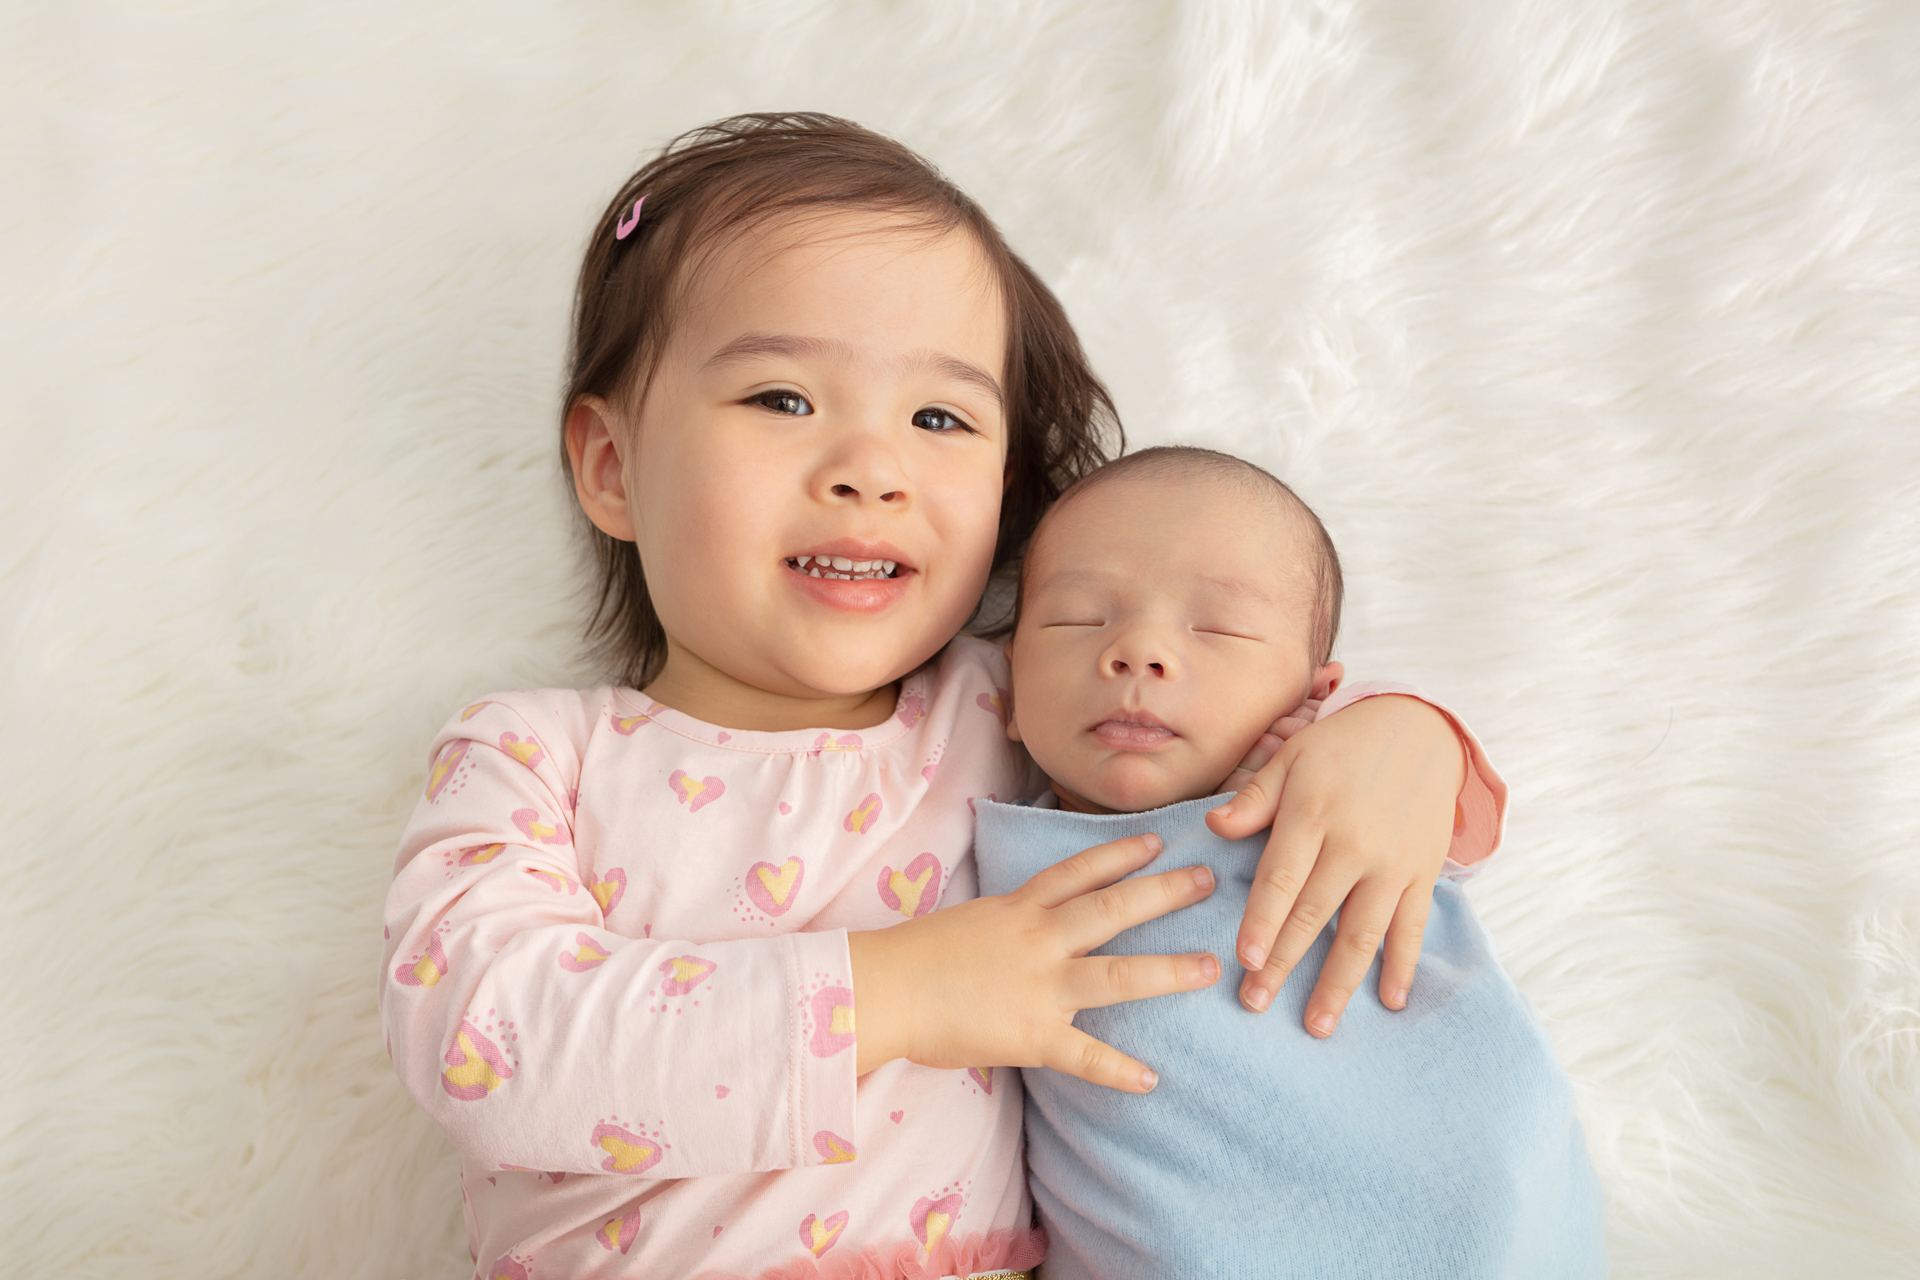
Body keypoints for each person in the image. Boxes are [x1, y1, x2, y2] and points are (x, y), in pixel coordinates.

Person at [380, 114, 1502, 1278]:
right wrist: (901, 989)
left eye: (938, 419)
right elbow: (482, 1042)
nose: (872, 469)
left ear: (1004, 488)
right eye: (781, 398)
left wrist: (1399, 736)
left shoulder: (1007, 710)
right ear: (614, 466)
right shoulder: (532, 756)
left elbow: (1223, 712)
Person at [975, 446, 1607, 1279]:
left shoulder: (1325, 779)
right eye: (1079, 617)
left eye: (1218, 628)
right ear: (1009, 690)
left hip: (1484, 1203)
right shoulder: (972, 825)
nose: (1138, 651)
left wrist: (1405, 725)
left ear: (1314, 694)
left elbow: (1460, 820)